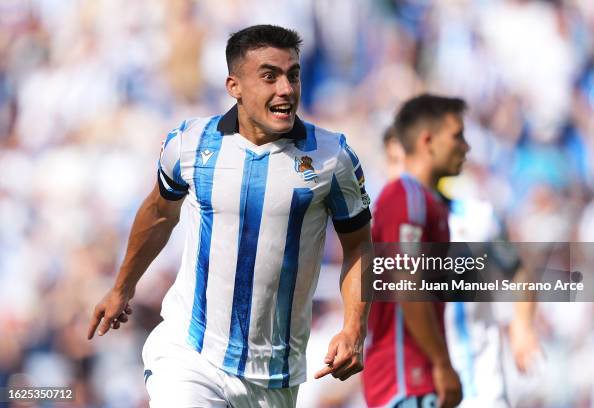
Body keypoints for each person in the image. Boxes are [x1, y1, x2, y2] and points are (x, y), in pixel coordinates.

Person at [86, 24, 373, 408]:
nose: (286, 89)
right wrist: (123, 287)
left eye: (293, 75)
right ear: (234, 86)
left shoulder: (331, 158)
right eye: (269, 76)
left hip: (274, 377)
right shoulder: (190, 144)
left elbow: (360, 247)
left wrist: (354, 329)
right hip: (191, 353)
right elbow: (159, 214)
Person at [363, 94, 468, 408]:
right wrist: (442, 364)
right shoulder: (406, 196)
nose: (466, 146)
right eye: (458, 136)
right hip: (405, 380)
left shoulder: (428, 203)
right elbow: (406, 286)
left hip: (414, 381)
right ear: (428, 140)